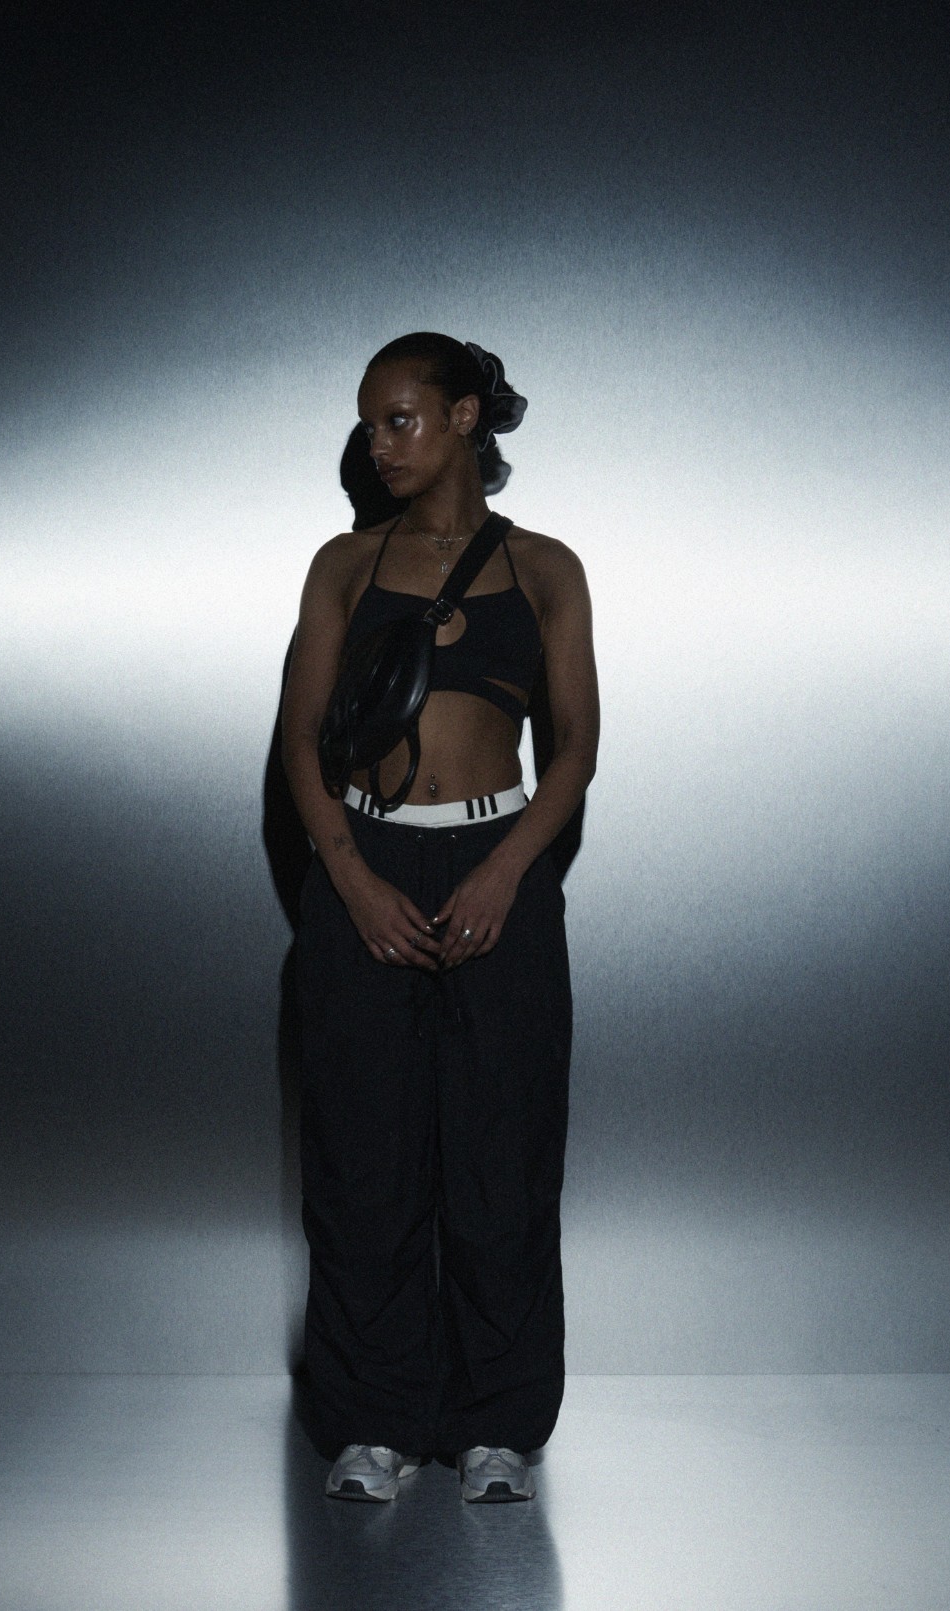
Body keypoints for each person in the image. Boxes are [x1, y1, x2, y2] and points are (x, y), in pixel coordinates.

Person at [280, 332, 599, 1503]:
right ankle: (371, 1422)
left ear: (464, 418)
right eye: (368, 424)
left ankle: (495, 1428)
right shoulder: (343, 565)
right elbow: (298, 746)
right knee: (362, 1157)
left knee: (500, 1157)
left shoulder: (546, 568)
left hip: (494, 865)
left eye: (399, 419)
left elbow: (575, 749)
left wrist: (507, 871)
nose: (378, 443)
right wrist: (353, 882)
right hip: (364, 863)